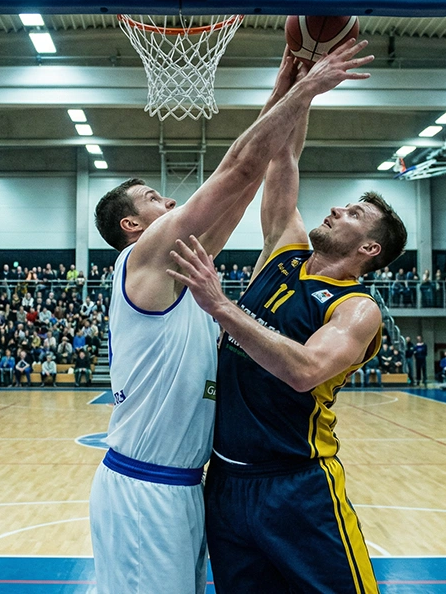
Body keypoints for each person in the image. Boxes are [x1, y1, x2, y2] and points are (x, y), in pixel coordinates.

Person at [88, 42, 371, 594]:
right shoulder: (146, 259)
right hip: (145, 490)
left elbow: (246, 184)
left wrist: (285, 87)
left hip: (193, 488)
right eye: (153, 198)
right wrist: (308, 89)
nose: (169, 202)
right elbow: (239, 170)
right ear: (130, 225)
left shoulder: (186, 267)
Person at [168, 44, 404, 592]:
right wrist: (299, 85)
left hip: (298, 485)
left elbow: (303, 370)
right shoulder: (285, 251)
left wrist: (221, 306)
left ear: (370, 248)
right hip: (225, 483)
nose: (336, 209)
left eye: (354, 214)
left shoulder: (356, 308)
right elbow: (282, 159)